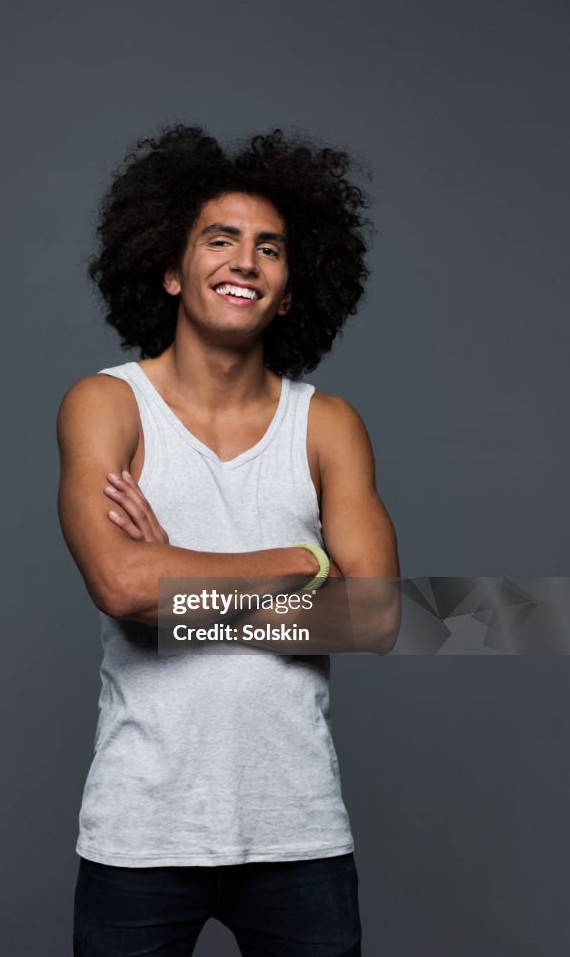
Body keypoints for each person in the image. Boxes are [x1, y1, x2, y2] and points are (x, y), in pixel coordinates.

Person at [56, 125, 400, 956]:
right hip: (140, 827)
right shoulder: (107, 405)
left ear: (289, 292)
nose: (245, 260)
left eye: (269, 249)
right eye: (221, 240)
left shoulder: (328, 425)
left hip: (299, 831)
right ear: (172, 272)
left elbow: (381, 616)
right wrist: (299, 564)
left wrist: (176, 593)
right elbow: (123, 586)